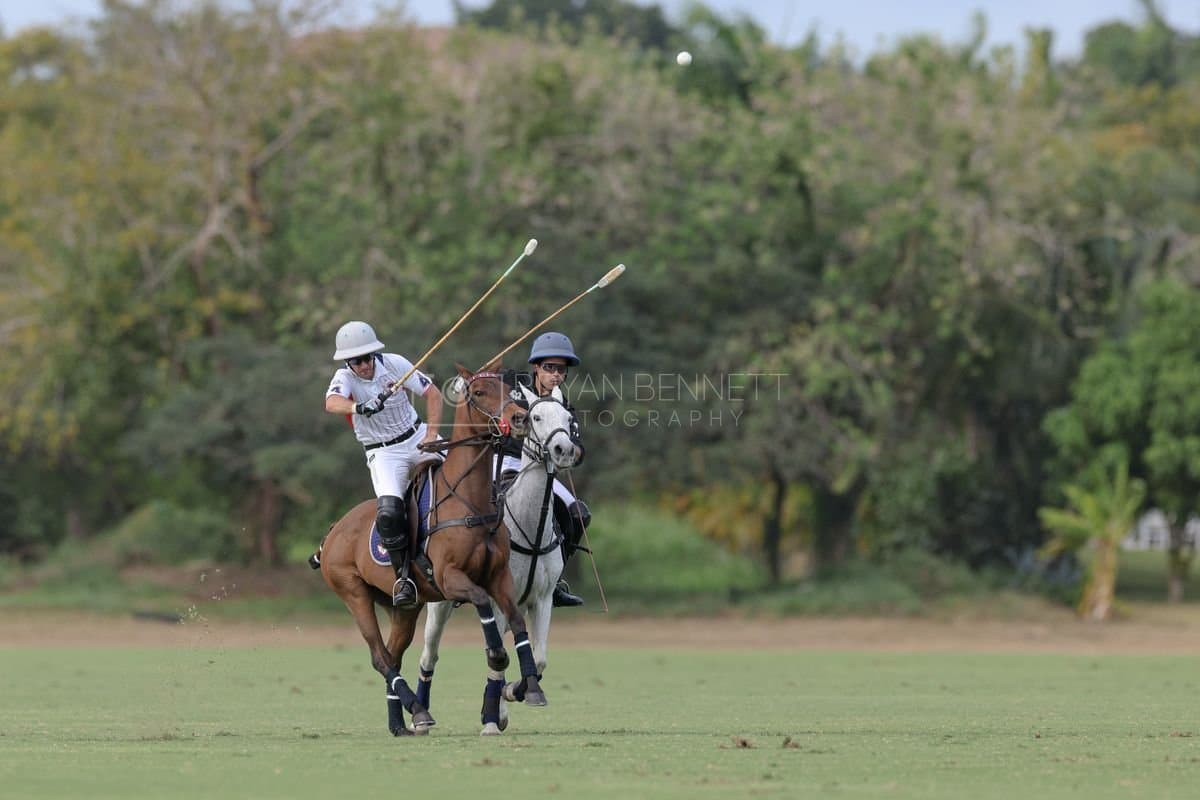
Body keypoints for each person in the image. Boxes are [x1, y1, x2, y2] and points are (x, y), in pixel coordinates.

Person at [325, 320, 443, 607]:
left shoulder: (395, 363)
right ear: (348, 362)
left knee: (472, 472)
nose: (363, 365)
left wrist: (430, 434)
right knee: (389, 512)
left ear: (374, 353)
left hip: (416, 435)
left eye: (366, 358)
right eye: (356, 361)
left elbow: (433, 394)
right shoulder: (346, 378)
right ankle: (403, 578)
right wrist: (359, 406)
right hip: (384, 453)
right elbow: (331, 402)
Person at [500, 331, 590, 608]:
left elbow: (578, 449)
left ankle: (555, 579)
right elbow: (486, 393)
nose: (555, 375)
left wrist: (571, 454)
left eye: (560, 370)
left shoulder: (564, 407)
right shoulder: (512, 386)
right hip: (504, 461)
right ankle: (474, 568)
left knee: (578, 513)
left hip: (543, 471)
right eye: (549, 367)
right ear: (536, 366)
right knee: (481, 509)